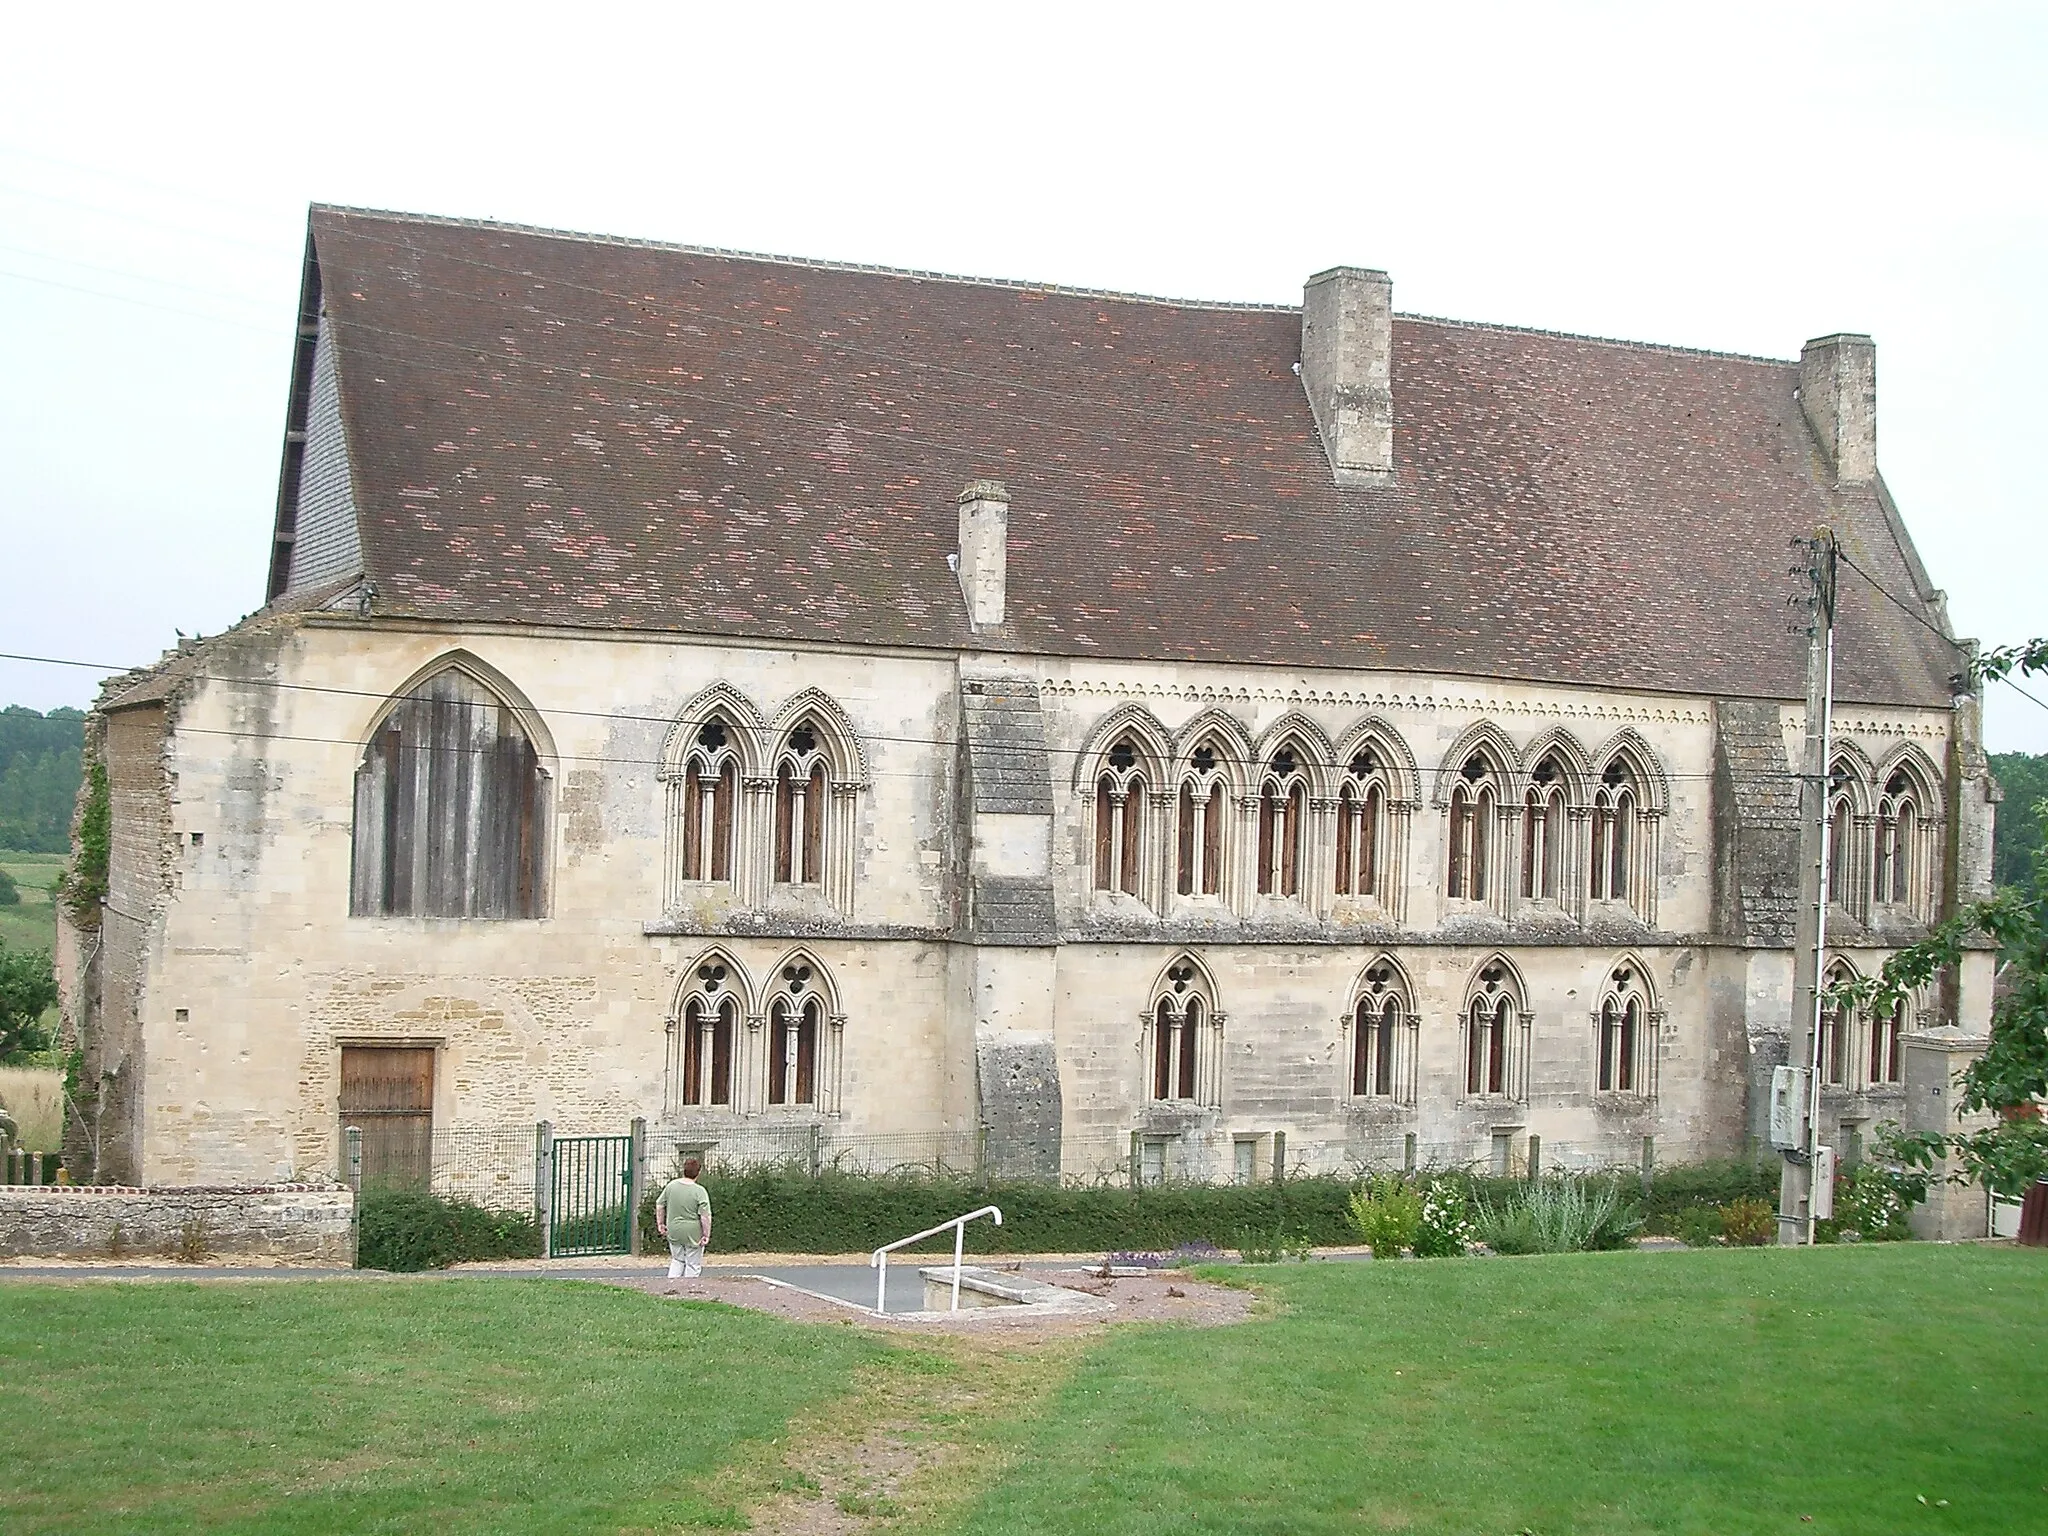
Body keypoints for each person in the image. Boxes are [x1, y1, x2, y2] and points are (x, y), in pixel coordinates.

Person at [655, 1156, 713, 1282]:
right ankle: (689, 1290)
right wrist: (706, 1234)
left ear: (683, 1171)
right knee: (693, 1264)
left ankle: (671, 1286)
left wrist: (660, 1223)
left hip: (674, 1229)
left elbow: (659, 1204)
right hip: (693, 1232)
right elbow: (705, 1216)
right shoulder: (700, 1191)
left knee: (677, 1260)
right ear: (698, 1172)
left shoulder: (671, 1186)